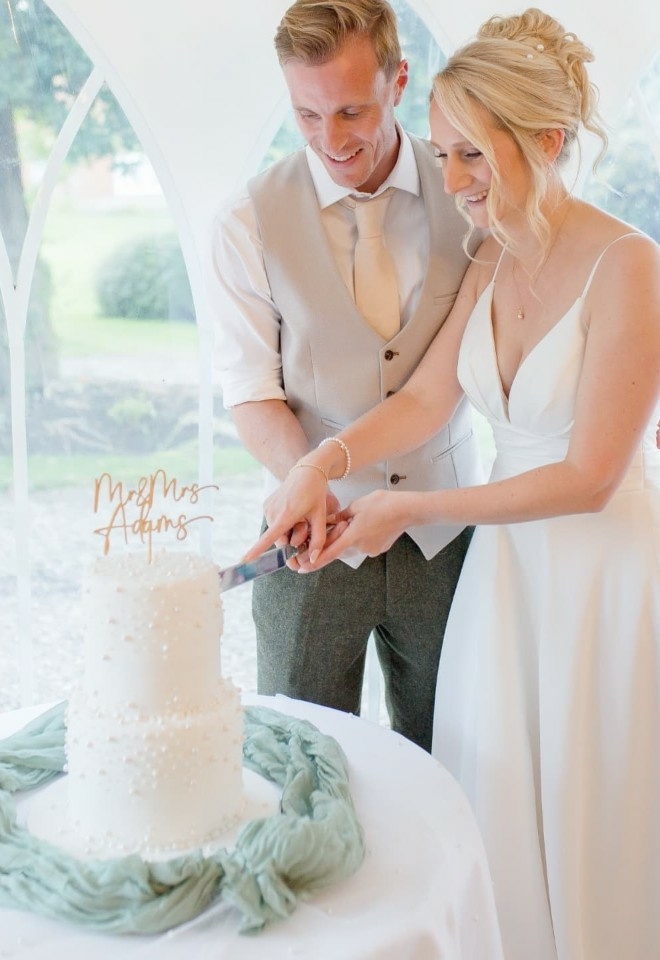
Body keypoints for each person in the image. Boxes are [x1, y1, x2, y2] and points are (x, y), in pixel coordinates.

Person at [244, 8, 660, 960]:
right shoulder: (491, 251)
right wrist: (319, 466)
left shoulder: (630, 263)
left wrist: (412, 507)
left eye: (474, 156)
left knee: (594, 816)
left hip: (601, 582)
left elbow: (591, 475)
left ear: (547, 142)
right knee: (496, 807)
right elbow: (430, 399)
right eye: (445, 153)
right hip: (504, 586)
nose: (454, 182)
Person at [212, 0, 484, 752]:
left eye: (352, 112)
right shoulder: (245, 221)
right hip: (313, 541)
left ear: (400, 81)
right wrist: (309, 480)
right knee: (304, 760)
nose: (330, 140)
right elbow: (252, 393)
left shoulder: (470, 190)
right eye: (307, 115)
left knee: (455, 755)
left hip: (447, 535)